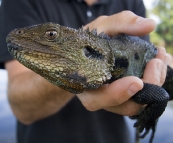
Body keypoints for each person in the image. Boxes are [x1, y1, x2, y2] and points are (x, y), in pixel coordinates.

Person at [0, 0, 170, 143]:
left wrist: (146, 115)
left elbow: (160, 96)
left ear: (87, 50)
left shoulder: (131, 2)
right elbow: (20, 103)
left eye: (51, 35)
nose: (22, 34)